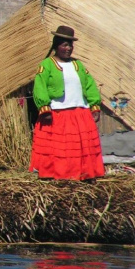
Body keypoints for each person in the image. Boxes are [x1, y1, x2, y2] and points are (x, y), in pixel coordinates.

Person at [29, 25, 104, 182]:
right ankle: (60, 175)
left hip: (80, 113)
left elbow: (90, 85)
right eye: (64, 45)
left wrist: (94, 105)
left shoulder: (78, 65)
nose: (68, 48)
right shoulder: (47, 65)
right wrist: (45, 108)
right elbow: (40, 87)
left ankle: (83, 175)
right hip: (58, 113)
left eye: (70, 45)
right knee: (61, 149)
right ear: (57, 45)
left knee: (80, 148)